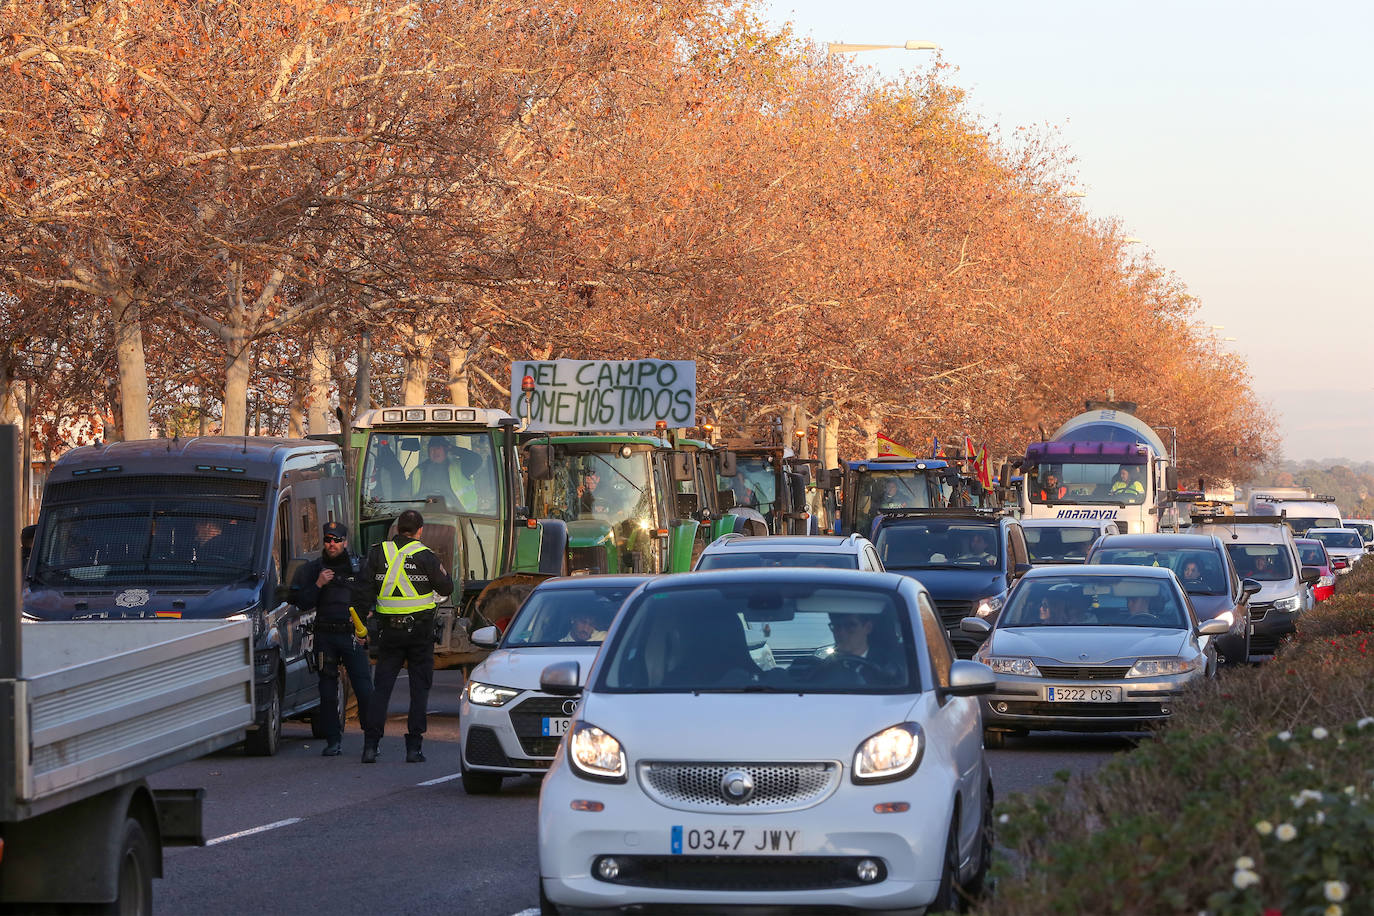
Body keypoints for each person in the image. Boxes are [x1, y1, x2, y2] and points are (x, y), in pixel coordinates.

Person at [360, 510, 453, 764]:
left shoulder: (378, 552)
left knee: (382, 688)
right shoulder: (426, 556)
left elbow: (365, 587)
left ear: (397, 529)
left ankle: (370, 746)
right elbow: (446, 587)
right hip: (419, 633)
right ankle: (413, 749)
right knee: (419, 689)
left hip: (388, 632)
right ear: (420, 530)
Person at [290, 522, 375, 757]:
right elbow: (302, 602)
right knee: (327, 691)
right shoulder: (314, 569)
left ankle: (371, 742)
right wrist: (319, 584)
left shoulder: (358, 567)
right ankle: (333, 740)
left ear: (345, 542)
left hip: (350, 635)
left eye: (337, 540)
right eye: (328, 540)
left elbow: (372, 594)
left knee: (364, 689)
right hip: (325, 635)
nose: (332, 544)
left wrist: (366, 619)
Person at [408, 437, 489, 512]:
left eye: (438, 448)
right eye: (432, 449)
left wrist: (454, 449)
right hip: (425, 517)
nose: (434, 452)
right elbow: (404, 495)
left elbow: (476, 460)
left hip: (461, 518)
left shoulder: (461, 467)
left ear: (446, 450)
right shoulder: (419, 470)